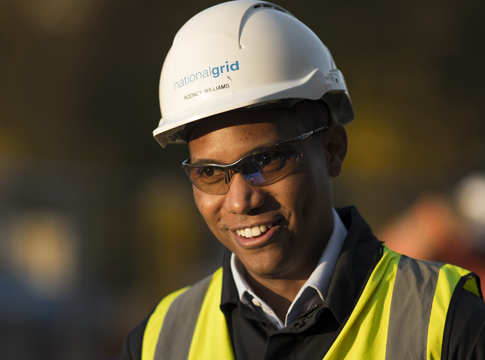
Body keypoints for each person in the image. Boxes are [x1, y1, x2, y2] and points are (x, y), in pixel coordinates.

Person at [121, 1, 485, 359]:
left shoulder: (449, 322)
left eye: (266, 160)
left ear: (332, 150)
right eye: (210, 173)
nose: (239, 200)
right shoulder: (156, 342)